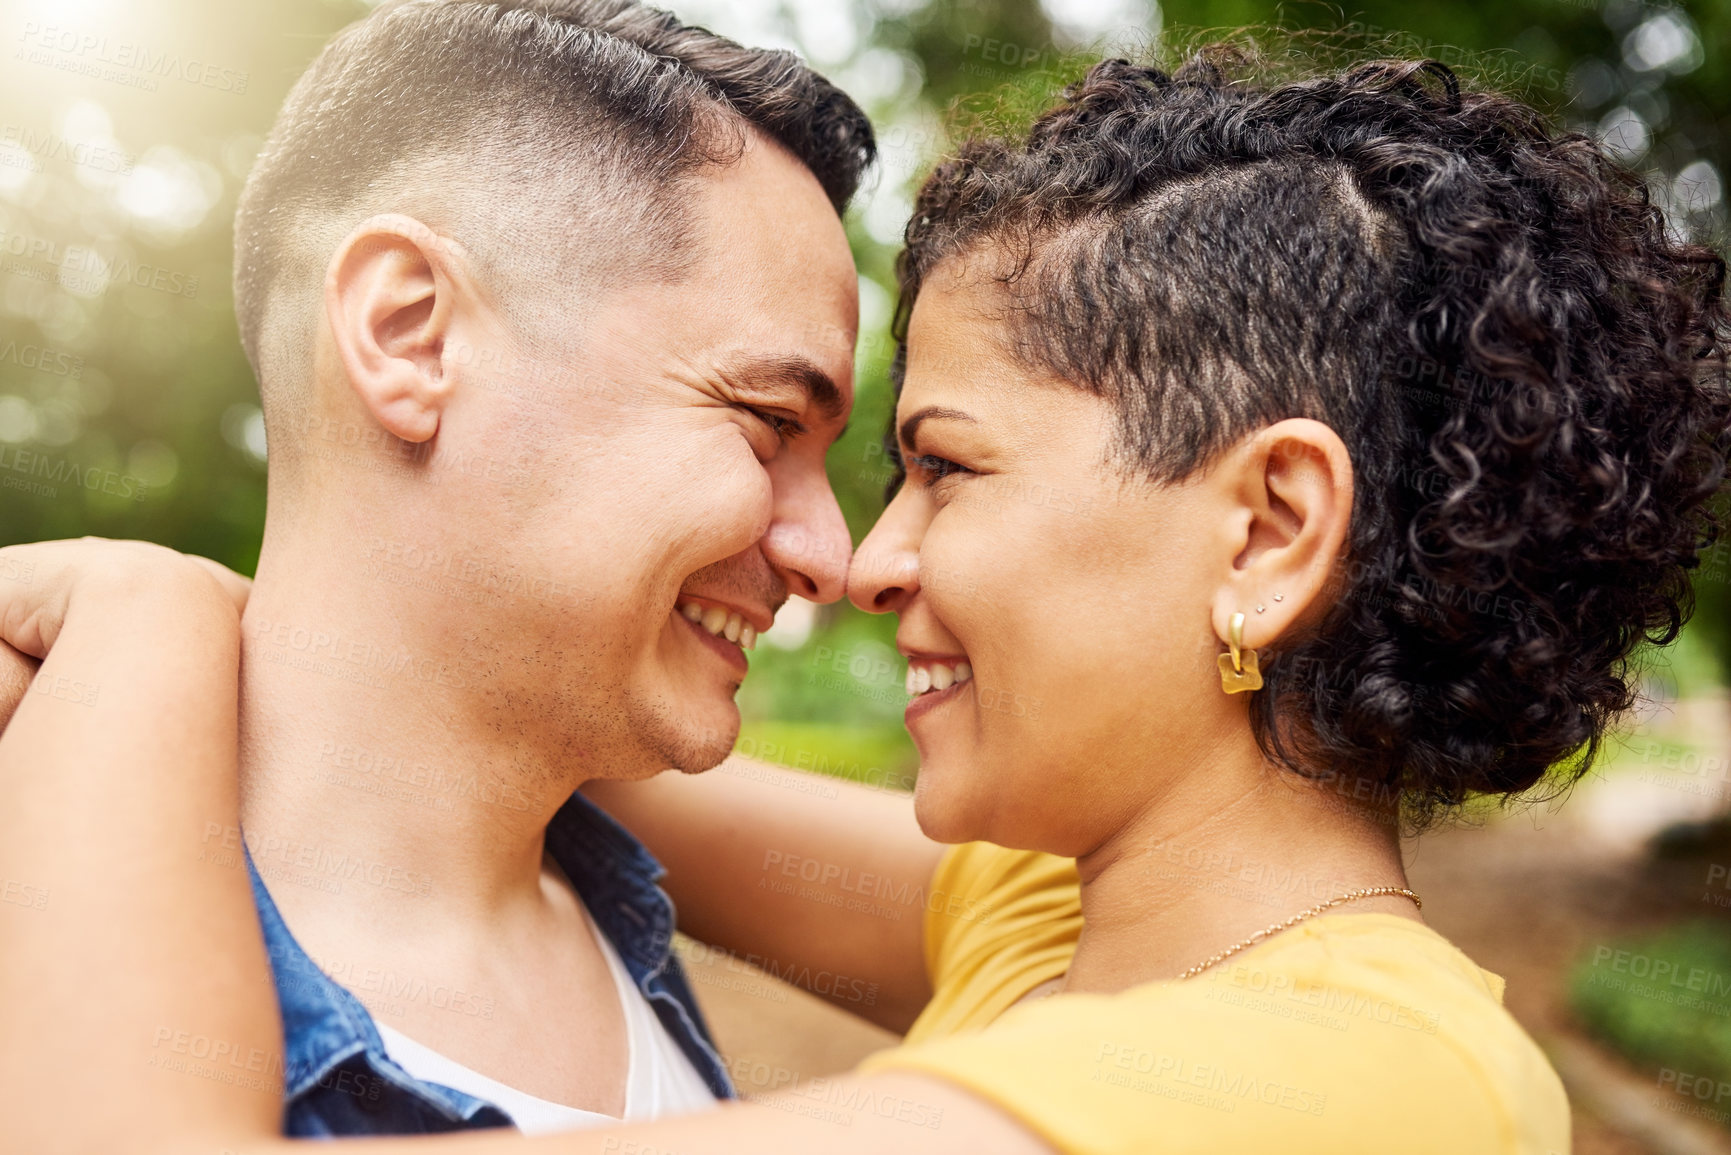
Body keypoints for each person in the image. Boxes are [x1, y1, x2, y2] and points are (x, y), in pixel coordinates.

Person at [3, 45, 1727, 1155]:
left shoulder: (1358, 1085)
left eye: (947, 468)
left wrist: (144, 621)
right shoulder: (1057, 928)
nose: (863, 554)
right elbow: (455, 686)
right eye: (776, 427)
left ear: (1271, 529)